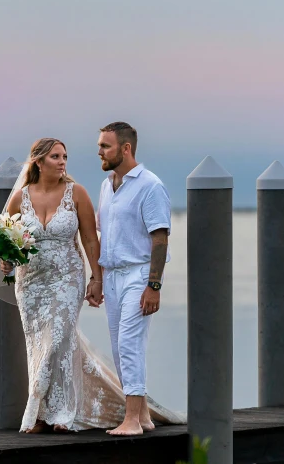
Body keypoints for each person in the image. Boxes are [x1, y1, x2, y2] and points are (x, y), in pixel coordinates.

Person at [0, 137, 183, 434]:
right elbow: (6, 237)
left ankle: (51, 413)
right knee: (39, 345)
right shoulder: (20, 197)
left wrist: (96, 279)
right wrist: (6, 259)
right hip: (30, 283)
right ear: (39, 161)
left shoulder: (77, 193)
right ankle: (50, 414)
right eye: (56, 157)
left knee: (57, 341)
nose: (62, 162)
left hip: (66, 279)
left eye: (65, 157)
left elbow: (89, 239)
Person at [96, 121, 173, 436]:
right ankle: (142, 416)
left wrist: (153, 286)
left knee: (130, 343)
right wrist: (97, 278)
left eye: (105, 146)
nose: (99, 151)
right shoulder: (106, 185)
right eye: (99, 145)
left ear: (125, 149)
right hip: (112, 275)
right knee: (118, 346)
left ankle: (130, 421)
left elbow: (160, 238)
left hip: (138, 274)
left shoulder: (150, 185)